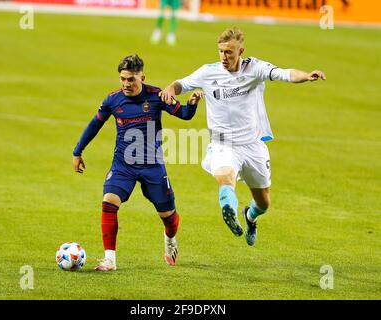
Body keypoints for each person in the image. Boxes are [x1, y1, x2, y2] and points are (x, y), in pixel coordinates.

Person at [160, 27, 326, 246]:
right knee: (225, 178)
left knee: (264, 202)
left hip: (252, 145)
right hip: (223, 144)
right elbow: (181, 83)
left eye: (229, 52)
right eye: (221, 51)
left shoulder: (255, 68)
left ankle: (250, 216)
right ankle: (229, 209)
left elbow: (285, 74)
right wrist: (170, 89)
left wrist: (306, 76)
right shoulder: (208, 72)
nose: (224, 57)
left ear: (241, 51)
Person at [72, 54, 203, 271]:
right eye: (123, 79)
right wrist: (78, 151)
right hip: (123, 166)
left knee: (169, 217)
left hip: (152, 166)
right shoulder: (113, 100)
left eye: (131, 79)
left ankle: (170, 239)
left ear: (142, 77)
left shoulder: (157, 96)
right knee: (109, 202)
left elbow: (185, 115)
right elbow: (94, 125)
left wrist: (192, 103)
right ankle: (109, 260)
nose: (126, 84)